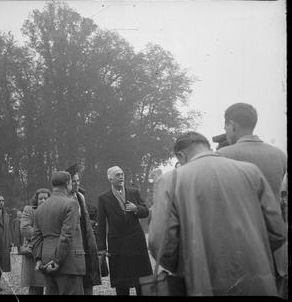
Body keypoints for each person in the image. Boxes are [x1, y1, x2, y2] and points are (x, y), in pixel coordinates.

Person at [149, 131, 287, 296]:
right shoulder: (251, 171)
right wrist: (255, 253)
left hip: (203, 284)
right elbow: (277, 231)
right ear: (207, 147)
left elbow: (161, 242)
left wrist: (186, 265)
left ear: (181, 155)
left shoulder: (170, 180)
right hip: (258, 280)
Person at [217, 103, 288, 298]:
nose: (226, 132)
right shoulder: (279, 155)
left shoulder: (221, 156)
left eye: (225, 127)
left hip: (240, 252)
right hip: (275, 247)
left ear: (232, 125)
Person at [96, 166, 152, 295]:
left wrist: (136, 208)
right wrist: (102, 248)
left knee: (141, 280)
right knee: (121, 283)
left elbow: (146, 212)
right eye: (117, 175)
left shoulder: (134, 192)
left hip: (136, 242)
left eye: (122, 174)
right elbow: (102, 224)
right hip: (117, 245)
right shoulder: (103, 198)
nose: (121, 177)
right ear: (110, 179)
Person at [32, 172, 86, 295]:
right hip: (68, 262)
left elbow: (36, 238)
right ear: (68, 184)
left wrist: (39, 259)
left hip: (46, 262)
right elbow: (66, 236)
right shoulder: (71, 204)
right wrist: (57, 260)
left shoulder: (41, 208)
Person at [66, 164, 102, 295]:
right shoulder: (64, 198)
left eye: (78, 180)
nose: (76, 183)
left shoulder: (81, 197)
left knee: (89, 279)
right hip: (72, 245)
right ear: (67, 183)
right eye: (73, 181)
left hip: (86, 244)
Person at [19, 188, 49, 295]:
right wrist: (45, 237)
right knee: (35, 286)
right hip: (33, 251)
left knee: (53, 285)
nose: (43, 200)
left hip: (50, 251)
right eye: (41, 198)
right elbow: (25, 228)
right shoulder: (29, 210)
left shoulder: (54, 210)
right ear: (36, 200)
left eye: (46, 198)